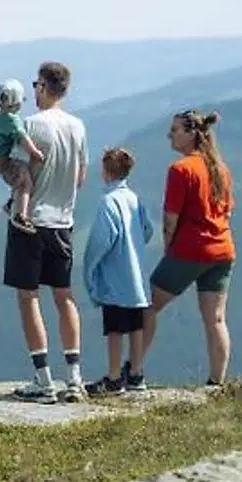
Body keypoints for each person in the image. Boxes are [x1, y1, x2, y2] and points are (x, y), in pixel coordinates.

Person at [129, 109, 236, 389]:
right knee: (216, 319)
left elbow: (170, 218)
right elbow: (227, 210)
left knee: (147, 307)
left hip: (190, 249)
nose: (170, 135)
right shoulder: (221, 169)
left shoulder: (181, 169)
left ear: (191, 134)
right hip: (223, 250)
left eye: (175, 130)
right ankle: (216, 382)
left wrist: (169, 248)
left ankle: (135, 371)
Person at [5, 61, 89, 404]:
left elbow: (18, 175)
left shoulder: (30, 125)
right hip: (63, 221)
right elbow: (81, 177)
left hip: (30, 221)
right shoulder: (77, 126)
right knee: (64, 296)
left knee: (29, 297)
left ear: (42, 87)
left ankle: (43, 380)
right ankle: (74, 377)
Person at [80, 147, 154, 396]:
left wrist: (90, 266)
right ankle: (136, 373)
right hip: (136, 277)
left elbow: (102, 240)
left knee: (114, 328)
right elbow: (148, 230)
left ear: (106, 171)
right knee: (136, 326)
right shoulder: (134, 199)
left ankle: (113, 377)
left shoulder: (108, 202)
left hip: (115, 276)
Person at [0, 79, 46, 233]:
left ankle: (12, 202)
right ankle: (21, 215)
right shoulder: (12, 121)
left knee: (17, 179)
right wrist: (35, 153)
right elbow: (23, 138)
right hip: (4, 159)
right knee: (25, 183)